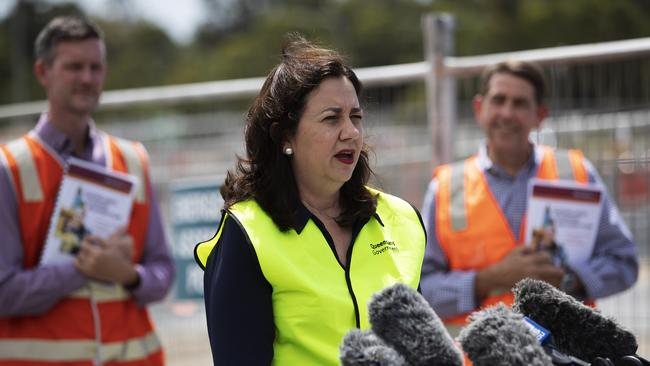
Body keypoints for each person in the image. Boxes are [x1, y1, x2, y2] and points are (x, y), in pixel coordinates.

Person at [194, 35, 426, 365]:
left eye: (355, 117)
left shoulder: (403, 219)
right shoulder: (246, 234)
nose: (351, 132)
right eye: (332, 118)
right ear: (285, 136)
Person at [0, 16, 175, 365]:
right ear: (42, 72)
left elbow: (163, 271)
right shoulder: (9, 168)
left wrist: (127, 274)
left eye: (95, 67)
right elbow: (3, 292)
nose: (87, 78)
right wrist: (86, 267)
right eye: (73, 67)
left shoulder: (133, 160)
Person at [419, 60, 639, 333]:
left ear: (540, 115)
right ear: (479, 108)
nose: (507, 113)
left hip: (566, 356)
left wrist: (568, 280)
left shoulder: (576, 172)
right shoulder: (445, 187)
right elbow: (422, 288)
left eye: (520, 103)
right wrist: (487, 280)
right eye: (498, 100)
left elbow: (623, 262)